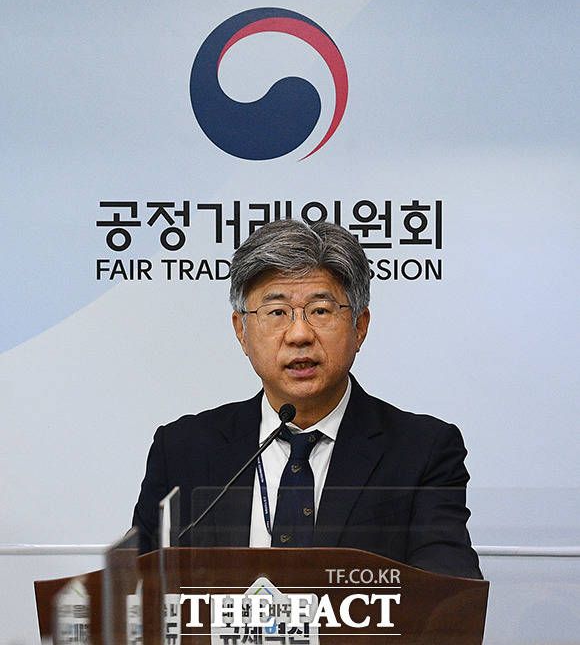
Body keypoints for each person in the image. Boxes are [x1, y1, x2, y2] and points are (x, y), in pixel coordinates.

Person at [132, 219, 482, 579]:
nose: (299, 334)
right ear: (241, 331)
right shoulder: (182, 449)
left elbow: (447, 590)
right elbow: (135, 586)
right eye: (277, 312)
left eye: (320, 310)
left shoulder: (422, 450)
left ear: (360, 326)